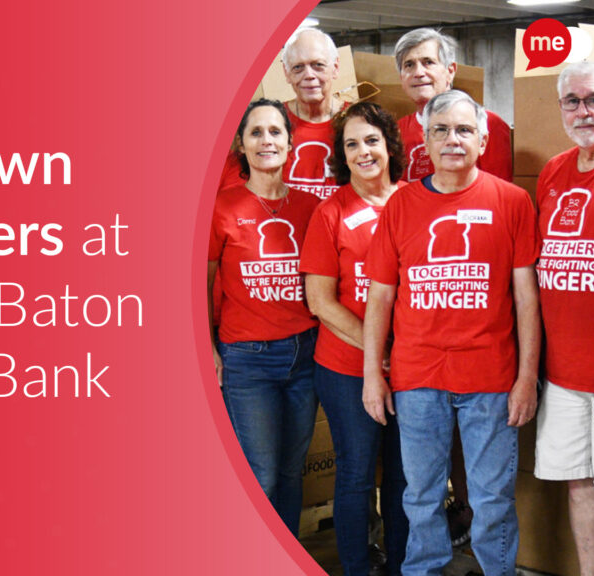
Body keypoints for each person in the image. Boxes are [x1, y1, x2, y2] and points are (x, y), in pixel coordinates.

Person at [361, 90, 540, 576]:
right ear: (425, 139)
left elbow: (527, 298)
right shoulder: (400, 207)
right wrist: (372, 376)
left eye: (464, 130)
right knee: (419, 498)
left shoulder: (513, 202)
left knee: (492, 499)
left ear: (482, 140)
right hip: (417, 379)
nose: (452, 140)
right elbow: (380, 297)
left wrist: (526, 378)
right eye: (441, 130)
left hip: (490, 379)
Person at [300, 101, 408, 576]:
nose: (362, 152)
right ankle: (358, 568)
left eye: (371, 140)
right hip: (346, 369)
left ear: (389, 146)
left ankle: (407, 565)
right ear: (341, 157)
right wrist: (379, 353)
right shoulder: (331, 212)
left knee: (408, 480)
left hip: (413, 369)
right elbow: (321, 302)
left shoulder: (416, 201)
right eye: (350, 144)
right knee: (357, 476)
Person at [208, 98, 321, 535]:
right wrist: (207, 347)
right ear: (241, 144)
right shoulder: (221, 207)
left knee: (293, 473)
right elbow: (199, 283)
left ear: (290, 144)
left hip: (306, 356)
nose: (266, 140)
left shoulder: (311, 206)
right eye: (256, 132)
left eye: (276, 132)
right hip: (246, 359)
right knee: (262, 475)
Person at [534, 61, 594, 576]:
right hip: (565, 373)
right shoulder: (553, 171)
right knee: (580, 481)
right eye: (573, 100)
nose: (583, 110)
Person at [394, 28, 512, 183]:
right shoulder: (396, 131)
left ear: (450, 71)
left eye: (428, 62)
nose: (418, 73)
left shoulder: (488, 123)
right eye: (409, 65)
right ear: (401, 77)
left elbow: (498, 193)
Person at [280, 27, 343, 200]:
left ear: (335, 68)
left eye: (318, 65)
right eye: (298, 67)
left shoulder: (357, 122)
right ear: (286, 73)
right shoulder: (272, 123)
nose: (309, 75)